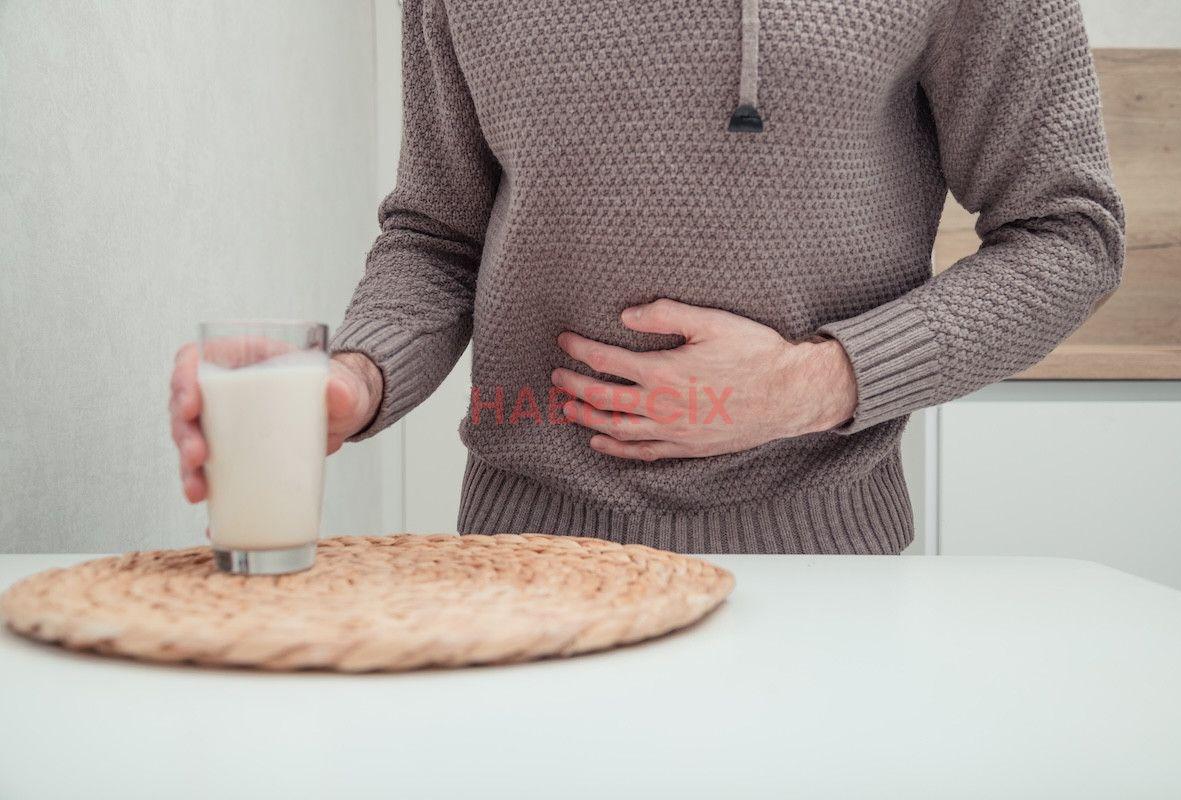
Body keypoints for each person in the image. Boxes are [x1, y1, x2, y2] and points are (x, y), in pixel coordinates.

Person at [170, 0, 1124, 554]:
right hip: (524, 572)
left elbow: (1068, 233)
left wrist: (812, 383)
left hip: (826, 578)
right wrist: (358, 376)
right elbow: (439, 234)